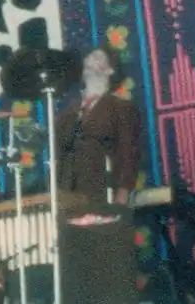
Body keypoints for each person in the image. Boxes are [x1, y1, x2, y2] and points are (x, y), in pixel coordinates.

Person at [53, 47, 141, 206]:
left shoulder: (120, 107)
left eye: (97, 57)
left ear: (109, 70)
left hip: (103, 193)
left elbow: (128, 153)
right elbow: (59, 157)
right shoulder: (66, 115)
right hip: (69, 198)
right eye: (89, 56)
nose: (89, 59)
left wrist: (122, 194)